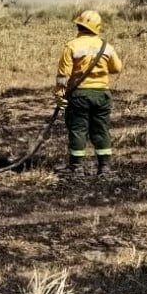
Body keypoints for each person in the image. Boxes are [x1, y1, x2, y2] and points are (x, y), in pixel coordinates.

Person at [55, 10, 123, 176]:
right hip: (102, 95)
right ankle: (104, 168)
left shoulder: (72, 46)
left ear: (79, 25)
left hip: (79, 96)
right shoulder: (106, 47)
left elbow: (63, 77)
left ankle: (76, 168)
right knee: (101, 129)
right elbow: (117, 68)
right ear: (97, 28)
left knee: (78, 130)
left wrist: (59, 97)